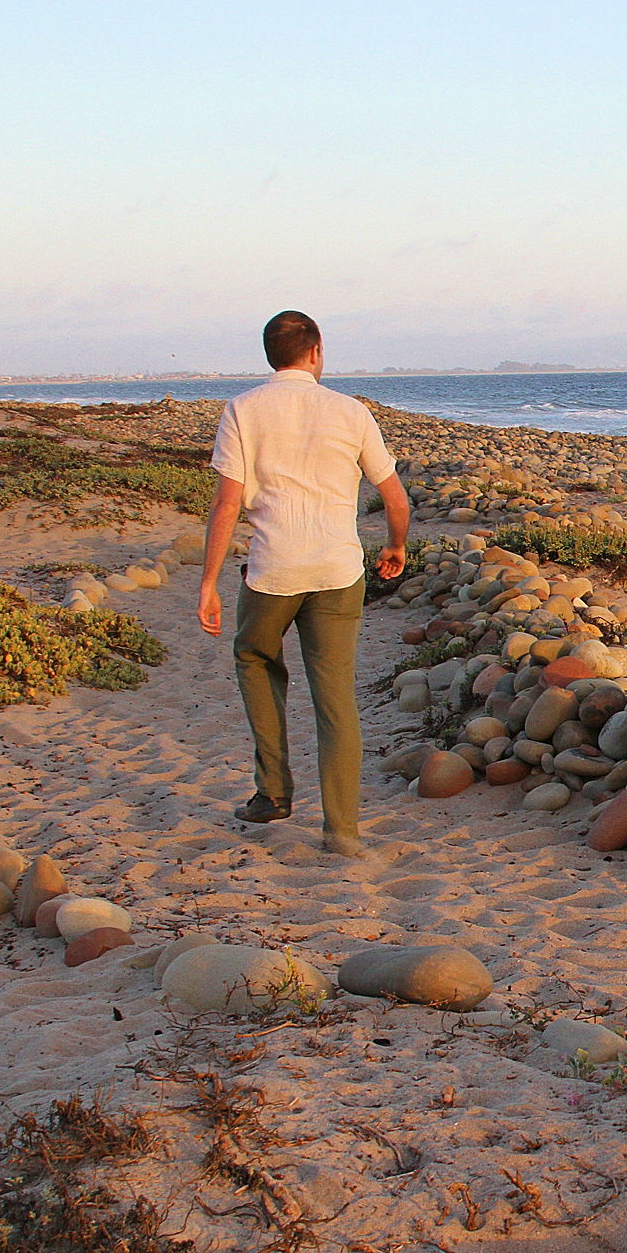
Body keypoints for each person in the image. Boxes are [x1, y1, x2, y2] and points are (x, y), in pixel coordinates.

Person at [196, 311, 410, 856]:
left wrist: (208, 583)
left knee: (253, 657)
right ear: (316, 352)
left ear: (272, 355)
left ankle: (272, 792)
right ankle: (342, 830)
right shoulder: (350, 411)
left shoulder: (243, 410)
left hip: (273, 571)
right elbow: (395, 498)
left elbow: (226, 502)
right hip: (338, 572)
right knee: (335, 696)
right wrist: (396, 546)